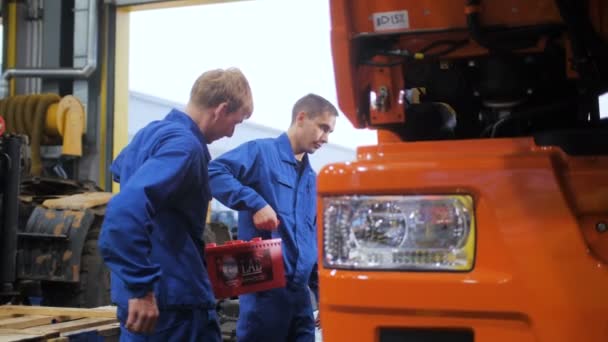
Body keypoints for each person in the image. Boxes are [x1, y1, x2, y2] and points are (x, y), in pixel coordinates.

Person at [98, 67, 253, 341]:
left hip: (152, 302)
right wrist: (142, 287)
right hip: (170, 304)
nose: (230, 134)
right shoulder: (184, 147)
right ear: (220, 109)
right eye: (235, 122)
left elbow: (121, 169)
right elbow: (123, 212)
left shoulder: (151, 134)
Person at [208, 93, 338, 342]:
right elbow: (213, 171)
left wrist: (323, 296)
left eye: (330, 132)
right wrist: (255, 203)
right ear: (301, 118)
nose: (326, 138)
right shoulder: (261, 153)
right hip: (263, 291)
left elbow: (312, 241)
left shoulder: (312, 179)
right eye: (323, 128)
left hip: (300, 297)